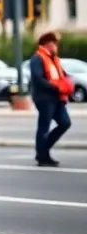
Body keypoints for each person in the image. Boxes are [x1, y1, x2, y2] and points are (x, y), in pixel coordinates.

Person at [28, 31, 74, 166]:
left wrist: (68, 83)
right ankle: (42, 156)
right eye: (54, 43)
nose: (56, 46)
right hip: (44, 98)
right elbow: (38, 79)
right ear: (47, 44)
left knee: (65, 123)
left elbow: (62, 75)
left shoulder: (54, 59)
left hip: (57, 98)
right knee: (44, 127)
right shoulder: (37, 59)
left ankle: (43, 149)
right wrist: (56, 88)